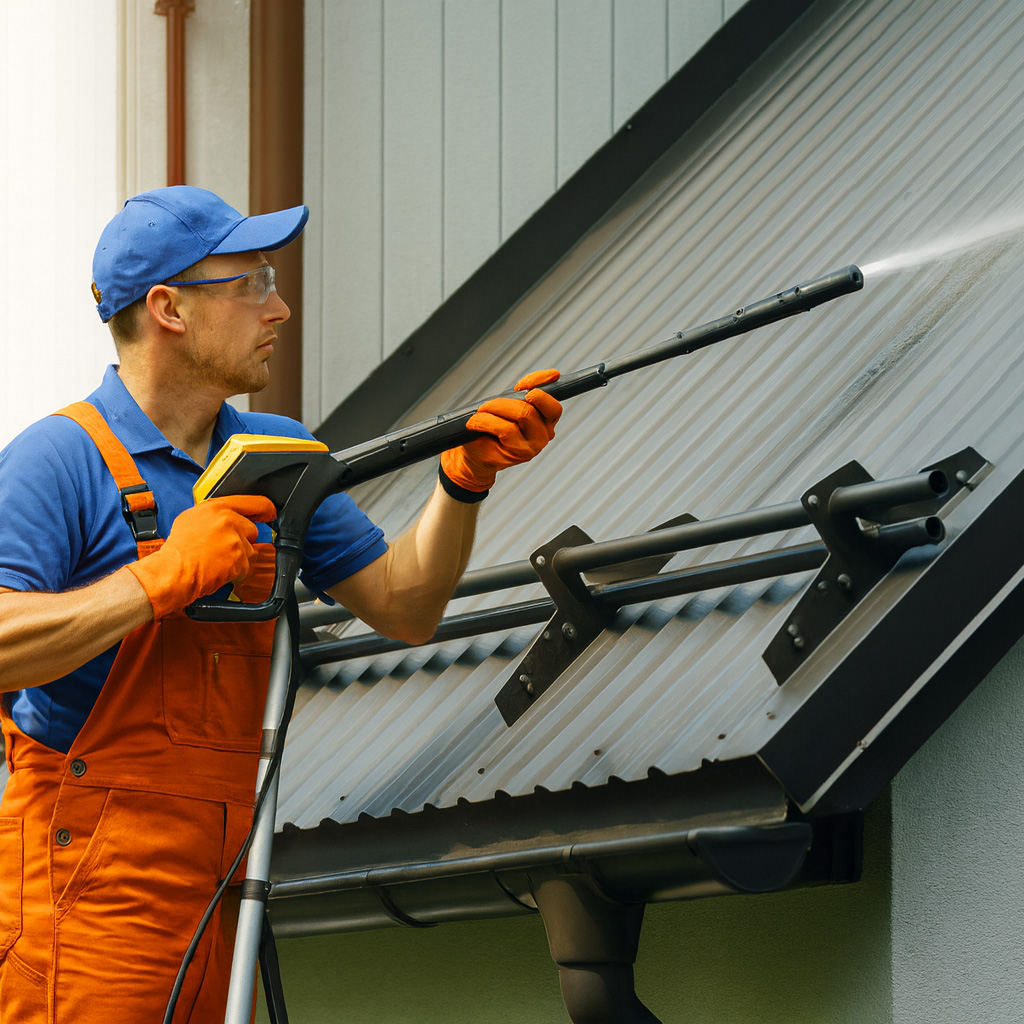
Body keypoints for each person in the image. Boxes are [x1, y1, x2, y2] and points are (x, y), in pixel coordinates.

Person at [0, 186, 562, 1022]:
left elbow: (407, 606)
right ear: (169, 309)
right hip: (87, 894)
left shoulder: (278, 458)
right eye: (253, 284)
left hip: (230, 883)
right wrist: (163, 577)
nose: (282, 306)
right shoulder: (59, 459)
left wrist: (463, 482)